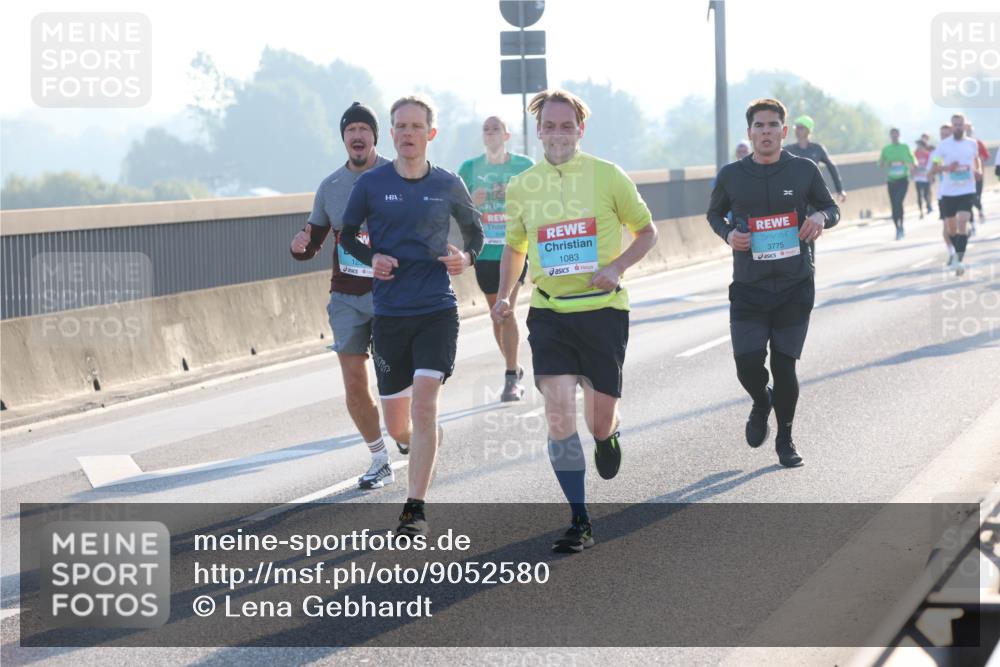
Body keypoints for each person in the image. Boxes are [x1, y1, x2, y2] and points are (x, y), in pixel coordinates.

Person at [492, 88, 658, 553]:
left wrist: (617, 267)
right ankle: (579, 518)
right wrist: (505, 295)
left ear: (580, 130)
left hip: (603, 312)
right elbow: (515, 246)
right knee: (559, 412)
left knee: (598, 422)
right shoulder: (523, 186)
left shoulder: (608, 176)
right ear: (538, 130)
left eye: (568, 125)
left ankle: (608, 436)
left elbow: (648, 233)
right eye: (551, 125)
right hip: (549, 312)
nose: (559, 133)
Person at [341, 95, 484, 536]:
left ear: (430, 134)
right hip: (389, 314)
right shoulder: (370, 184)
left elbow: (475, 232)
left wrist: (468, 258)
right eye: (399, 126)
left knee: (425, 403)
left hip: (436, 309)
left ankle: (413, 508)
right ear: (392, 132)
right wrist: (373, 258)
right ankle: (416, 441)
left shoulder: (447, 183)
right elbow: (348, 235)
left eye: (415, 127)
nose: (407, 134)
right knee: (398, 424)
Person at [707, 98, 840, 468]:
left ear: (784, 131)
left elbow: (832, 208)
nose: (766, 132)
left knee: (784, 367)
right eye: (759, 126)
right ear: (749, 133)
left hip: (795, 284)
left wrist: (819, 217)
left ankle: (785, 437)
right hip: (749, 286)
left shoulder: (804, 170)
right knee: (747, 365)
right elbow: (714, 213)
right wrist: (728, 234)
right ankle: (761, 400)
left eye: (773, 125)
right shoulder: (732, 175)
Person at [290, 102, 395, 490]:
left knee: (392, 379)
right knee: (354, 381)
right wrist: (299, 245)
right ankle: (379, 457)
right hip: (347, 296)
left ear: (374, 136)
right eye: (350, 129)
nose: (357, 135)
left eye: (364, 129)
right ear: (343, 138)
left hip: (391, 296)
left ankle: (402, 429)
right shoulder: (330, 187)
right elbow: (312, 242)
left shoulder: (395, 175)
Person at [458, 117, 534, 402]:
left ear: (506, 135)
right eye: (486, 130)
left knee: (507, 309)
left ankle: (511, 378)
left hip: (514, 246)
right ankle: (513, 364)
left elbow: (540, 194)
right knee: (496, 313)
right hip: (485, 250)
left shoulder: (524, 166)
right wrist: (471, 203)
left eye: (496, 129)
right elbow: (454, 205)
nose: (491, 133)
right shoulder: (469, 168)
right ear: (483, 137)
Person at [931, 113, 983, 277]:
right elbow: (934, 167)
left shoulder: (972, 144)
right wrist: (948, 168)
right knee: (951, 228)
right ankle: (956, 253)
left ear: (965, 126)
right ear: (952, 126)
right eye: (955, 125)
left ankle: (959, 259)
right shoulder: (943, 146)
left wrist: (979, 170)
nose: (958, 127)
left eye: (961, 124)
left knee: (962, 222)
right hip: (948, 192)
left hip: (966, 189)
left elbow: (976, 160)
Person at [783, 115, 848, 203]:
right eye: (796, 128)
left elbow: (831, 167)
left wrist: (840, 189)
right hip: (795, 193)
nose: (797, 130)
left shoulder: (817, 149)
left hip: (814, 192)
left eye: (801, 128)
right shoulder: (788, 149)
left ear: (808, 130)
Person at [878, 128, 917, 240]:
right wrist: (886, 162)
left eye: (896, 134)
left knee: (898, 201)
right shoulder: (886, 149)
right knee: (894, 205)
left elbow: (913, 160)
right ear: (890, 135)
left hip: (903, 179)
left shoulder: (905, 147)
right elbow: (880, 163)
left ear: (899, 134)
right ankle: (898, 228)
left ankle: (901, 226)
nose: (894, 136)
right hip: (891, 180)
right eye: (892, 134)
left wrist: (913, 165)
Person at [934, 124, 956, 263]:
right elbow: (933, 168)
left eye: (946, 135)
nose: (944, 137)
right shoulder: (938, 151)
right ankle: (952, 252)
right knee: (946, 227)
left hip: (960, 193)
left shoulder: (959, 148)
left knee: (960, 224)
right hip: (943, 194)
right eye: (942, 135)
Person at [967, 123, 990, 228]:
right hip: (966, 178)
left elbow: (986, 156)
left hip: (978, 176)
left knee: (977, 198)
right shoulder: (958, 144)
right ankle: (972, 224)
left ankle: (980, 209)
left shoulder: (977, 143)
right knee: (968, 201)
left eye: (969, 130)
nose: (968, 132)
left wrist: (978, 162)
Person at [913, 134, 934, 219]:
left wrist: (931, 175)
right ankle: (921, 211)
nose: (919, 147)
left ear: (923, 146)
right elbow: (912, 164)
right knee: (919, 195)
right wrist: (913, 172)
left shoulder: (928, 154)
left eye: (920, 145)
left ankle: (928, 206)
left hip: (926, 177)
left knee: (926, 194)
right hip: (918, 178)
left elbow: (932, 165)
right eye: (918, 145)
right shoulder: (914, 154)